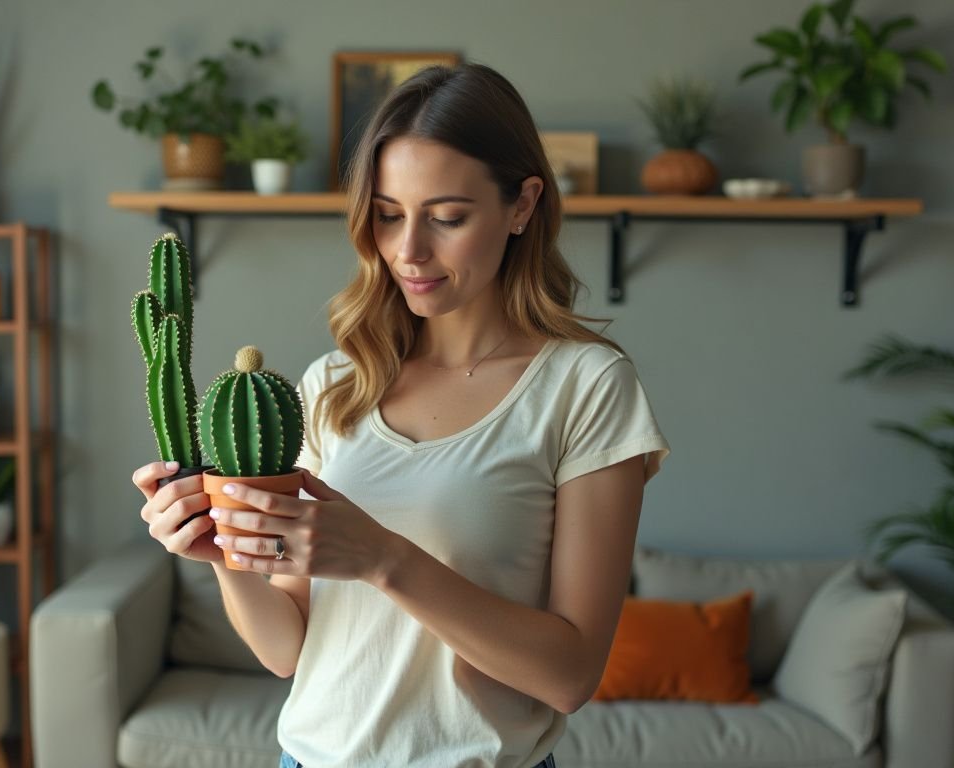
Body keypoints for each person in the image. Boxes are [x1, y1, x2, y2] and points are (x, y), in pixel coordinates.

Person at [134, 61, 669, 768]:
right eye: (388, 215)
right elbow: (287, 649)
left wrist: (385, 559)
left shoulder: (586, 385)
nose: (408, 251)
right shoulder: (333, 385)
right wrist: (219, 555)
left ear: (522, 204)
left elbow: (569, 677)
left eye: (447, 217)